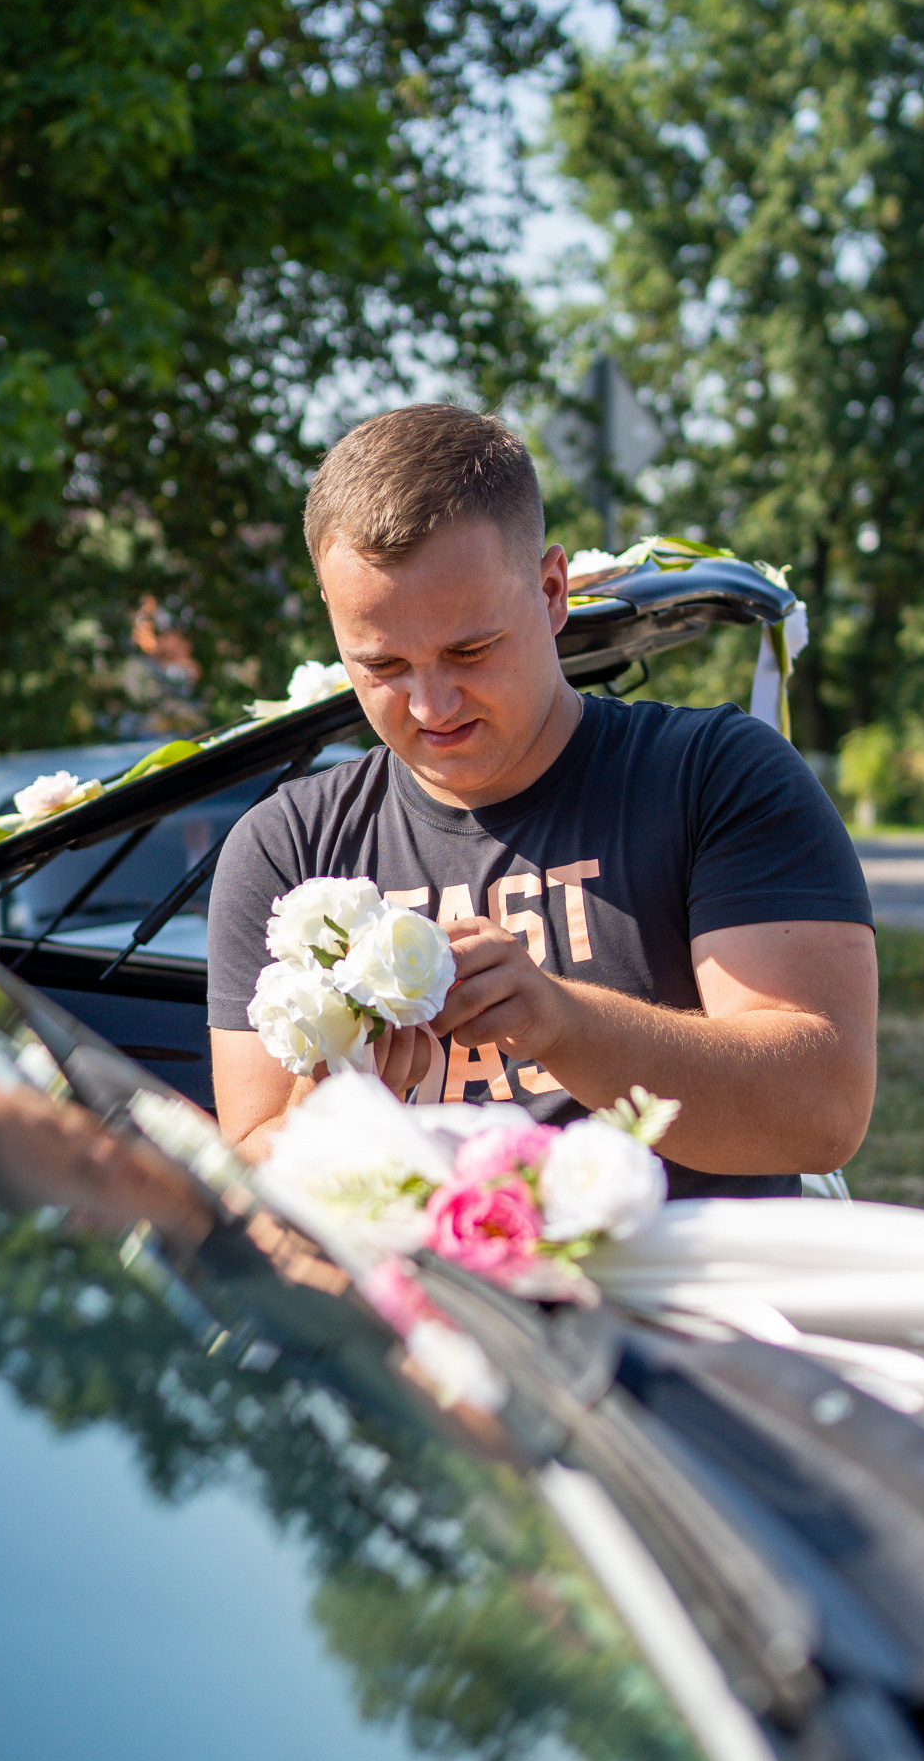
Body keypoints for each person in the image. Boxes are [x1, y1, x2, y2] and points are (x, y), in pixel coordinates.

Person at [207, 405, 876, 1195]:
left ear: (551, 590)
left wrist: (560, 1022)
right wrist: (340, 1111)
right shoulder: (287, 848)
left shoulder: (713, 777)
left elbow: (820, 1112)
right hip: (418, 1310)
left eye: (469, 649)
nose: (430, 704)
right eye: (382, 664)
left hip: (681, 1307)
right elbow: (245, 1175)